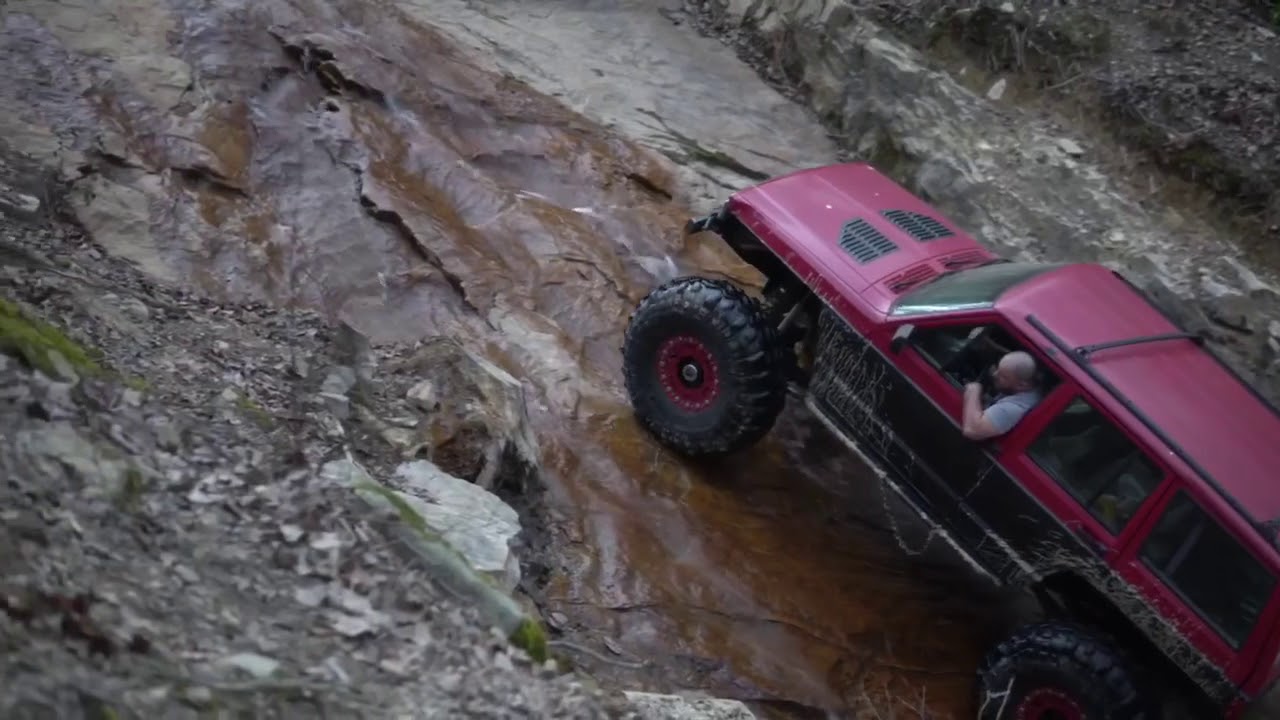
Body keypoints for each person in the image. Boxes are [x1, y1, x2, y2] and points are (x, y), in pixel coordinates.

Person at [961, 350, 1042, 441]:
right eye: (998, 369)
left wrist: (974, 390)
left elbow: (972, 430)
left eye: (1003, 376)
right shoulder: (1029, 389)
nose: (995, 374)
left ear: (1022, 385)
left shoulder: (1015, 408)